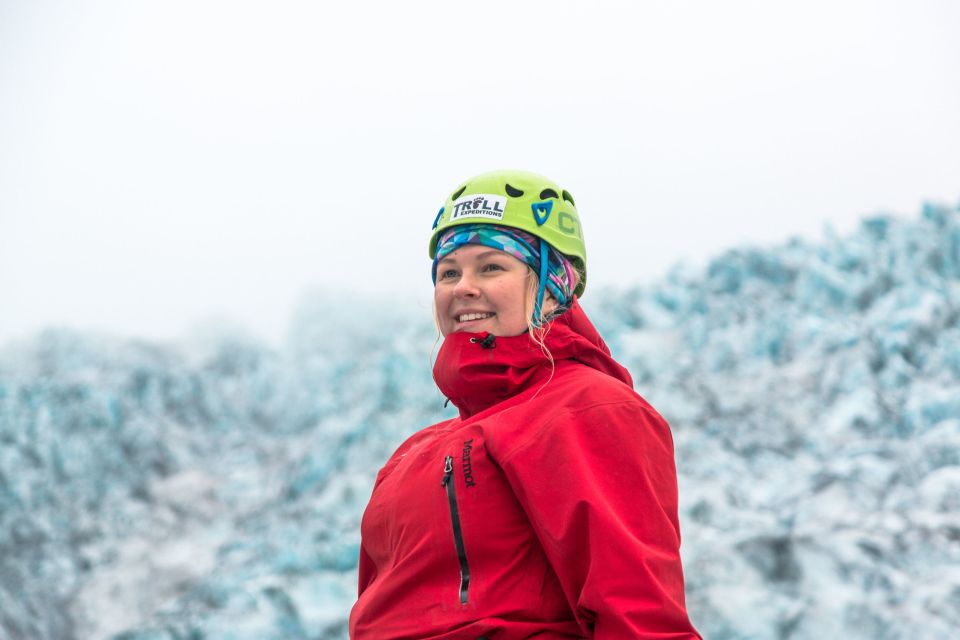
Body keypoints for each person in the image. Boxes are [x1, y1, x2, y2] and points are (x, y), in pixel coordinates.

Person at [349, 170, 701, 639]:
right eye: (448, 272)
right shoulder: (413, 453)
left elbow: (638, 611)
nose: (462, 287)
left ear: (553, 284)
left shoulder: (586, 408)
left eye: (491, 267)